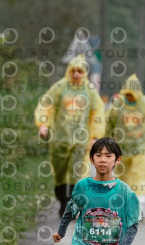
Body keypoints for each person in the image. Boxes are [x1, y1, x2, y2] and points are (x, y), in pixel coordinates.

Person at [34, 55, 106, 217]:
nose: (75, 74)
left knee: (77, 172)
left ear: (84, 73)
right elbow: (46, 104)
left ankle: (72, 204)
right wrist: (43, 124)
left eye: (79, 71)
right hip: (59, 138)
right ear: (69, 71)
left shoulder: (89, 90)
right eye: (73, 70)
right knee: (59, 173)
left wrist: (95, 136)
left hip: (81, 141)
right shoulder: (60, 87)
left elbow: (98, 112)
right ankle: (62, 200)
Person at [105, 74, 145, 202]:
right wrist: (105, 144)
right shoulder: (118, 104)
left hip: (141, 150)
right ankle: (124, 205)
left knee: (139, 178)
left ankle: (138, 207)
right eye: (127, 93)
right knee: (123, 178)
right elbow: (109, 124)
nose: (129, 96)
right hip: (121, 149)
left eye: (132, 94)